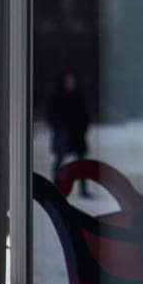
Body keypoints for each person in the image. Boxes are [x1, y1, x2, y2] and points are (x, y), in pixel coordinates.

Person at [45, 69, 92, 197]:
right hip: (63, 135)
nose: (70, 83)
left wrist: (83, 129)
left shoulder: (78, 96)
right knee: (59, 162)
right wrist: (59, 128)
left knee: (81, 164)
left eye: (71, 81)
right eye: (68, 81)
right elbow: (51, 116)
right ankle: (55, 188)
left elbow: (84, 115)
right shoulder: (57, 97)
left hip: (76, 135)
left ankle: (83, 190)